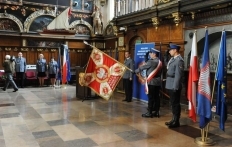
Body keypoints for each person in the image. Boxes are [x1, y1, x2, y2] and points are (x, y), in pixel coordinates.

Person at [135, 48, 162, 118]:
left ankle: (149, 112)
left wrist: (136, 71)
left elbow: (143, 67)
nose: (150, 54)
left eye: (151, 53)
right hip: (158, 82)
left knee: (150, 97)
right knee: (157, 97)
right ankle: (156, 112)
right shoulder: (160, 62)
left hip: (152, 82)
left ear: (154, 54)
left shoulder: (151, 61)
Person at [165, 44, 184, 128]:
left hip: (174, 85)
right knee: (172, 103)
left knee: (175, 103)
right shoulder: (173, 59)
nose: (169, 51)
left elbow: (178, 75)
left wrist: (175, 87)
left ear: (175, 50)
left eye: (171, 50)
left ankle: (176, 121)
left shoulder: (179, 60)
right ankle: (173, 119)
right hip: (170, 83)